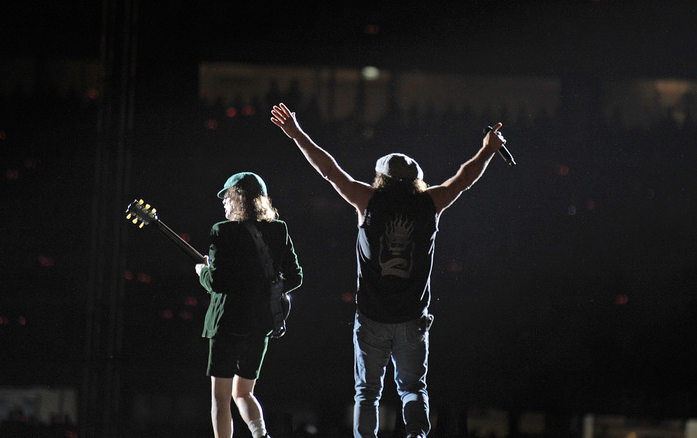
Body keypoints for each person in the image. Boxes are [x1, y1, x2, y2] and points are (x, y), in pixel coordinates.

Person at [270, 103, 506, 438]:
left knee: (367, 394)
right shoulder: (431, 204)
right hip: (412, 319)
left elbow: (328, 169)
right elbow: (464, 179)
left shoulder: (366, 200)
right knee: (413, 389)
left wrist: (295, 133)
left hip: (372, 319)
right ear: (417, 181)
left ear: (381, 178)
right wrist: (488, 151)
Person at [195, 171, 303, 438]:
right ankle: (260, 435)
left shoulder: (222, 231)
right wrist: (265, 291)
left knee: (221, 398)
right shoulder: (279, 230)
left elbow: (217, 282)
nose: (223, 203)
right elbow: (295, 276)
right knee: (244, 392)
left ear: (238, 198)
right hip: (260, 324)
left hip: (227, 325)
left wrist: (202, 272)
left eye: (227, 197)